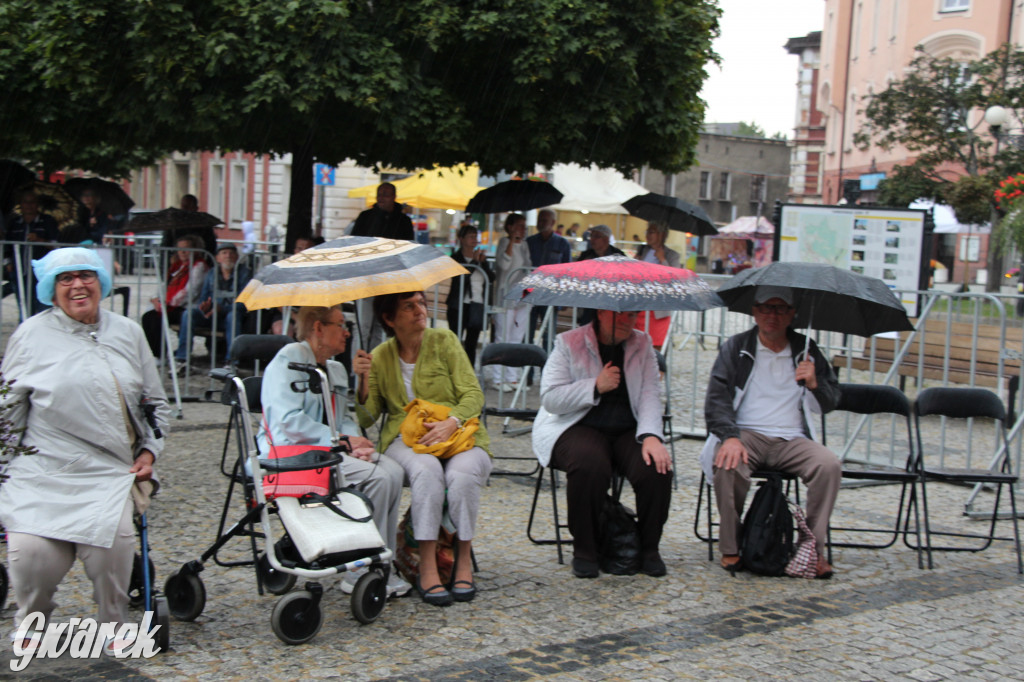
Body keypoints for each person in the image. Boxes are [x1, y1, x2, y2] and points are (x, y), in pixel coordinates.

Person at [0, 247, 169, 654]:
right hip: (44, 470)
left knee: (113, 543)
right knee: (31, 555)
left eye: (86, 275)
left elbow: (156, 406)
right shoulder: (31, 335)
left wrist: (150, 452)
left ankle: (113, 624)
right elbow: (6, 411)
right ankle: (32, 621)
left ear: (101, 282)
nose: (77, 285)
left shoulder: (128, 332)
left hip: (109, 470)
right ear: (51, 289)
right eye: (65, 278)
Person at [259, 306, 411, 598]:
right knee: (377, 478)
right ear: (318, 328)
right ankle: (360, 566)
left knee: (393, 470)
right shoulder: (288, 360)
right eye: (340, 325)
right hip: (293, 454)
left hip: (331, 451)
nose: (346, 332)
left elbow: (344, 417)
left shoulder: (337, 368)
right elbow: (288, 422)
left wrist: (356, 442)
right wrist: (341, 441)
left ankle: (381, 561)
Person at [354, 291, 492, 606]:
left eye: (420, 302)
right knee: (427, 471)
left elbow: (473, 394)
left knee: (463, 475)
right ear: (389, 319)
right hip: (405, 439)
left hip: (459, 434)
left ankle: (464, 558)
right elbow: (367, 415)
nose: (420, 309)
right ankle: (427, 564)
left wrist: (452, 421)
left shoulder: (444, 340)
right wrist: (361, 380)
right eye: (409, 306)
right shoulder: (380, 356)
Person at [701, 285, 841, 578]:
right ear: (754, 310)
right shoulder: (737, 347)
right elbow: (717, 397)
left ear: (792, 314)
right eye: (765, 307)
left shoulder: (806, 348)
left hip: (792, 437)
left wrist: (815, 383)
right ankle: (731, 546)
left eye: (780, 309)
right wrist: (729, 436)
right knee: (727, 463)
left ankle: (812, 549)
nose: (772, 315)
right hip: (747, 432)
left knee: (829, 465)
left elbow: (831, 400)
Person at [532, 309, 672, 579]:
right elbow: (551, 398)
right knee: (589, 464)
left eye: (632, 315)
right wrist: (594, 386)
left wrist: (651, 436)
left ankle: (648, 547)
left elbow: (650, 394)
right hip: (577, 424)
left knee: (657, 467)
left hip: (628, 428)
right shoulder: (568, 342)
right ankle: (585, 549)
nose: (627, 321)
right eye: (620, 314)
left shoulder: (642, 344)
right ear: (601, 311)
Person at [174, 244, 252, 365]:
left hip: (231, 316)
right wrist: (204, 306)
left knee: (233, 316)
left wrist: (222, 309)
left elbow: (245, 303)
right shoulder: (212, 273)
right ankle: (182, 358)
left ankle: (231, 361)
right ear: (217, 258)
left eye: (231, 253)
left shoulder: (244, 273)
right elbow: (203, 297)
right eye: (224, 253)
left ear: (237, 257)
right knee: (188, 314)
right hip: (212, 315)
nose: (228, 256)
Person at [141, 235, 209, 358]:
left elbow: (191, 291)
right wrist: (156, 298)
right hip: (170, 305)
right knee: (148, 317)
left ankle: (160, 355)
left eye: (186, 248)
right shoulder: (176, 266)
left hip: (186, 307)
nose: (182, 252)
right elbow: (164, 285)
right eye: (180, 248)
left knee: (155, 318)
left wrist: (166, 303)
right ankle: (158, 353)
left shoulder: (199, 266)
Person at [489, 213, 532, 391]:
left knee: (516, 337)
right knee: (502, 336)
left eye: (524, 226)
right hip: (505, 295)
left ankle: (512, 378)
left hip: (522, 295)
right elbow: (503, 265)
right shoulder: (503, 243)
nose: (523, 229)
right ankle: (497, 379)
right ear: (511, 227)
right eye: (519, 226)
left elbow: (528, 267)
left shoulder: (525, 245)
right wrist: (511, 244)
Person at [4, 188, 60, 317]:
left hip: (41, 273)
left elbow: (55, 245)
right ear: (21, 204)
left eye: (32, 202)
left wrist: (40, 240)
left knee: (44, 307)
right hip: (20, 271)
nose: (29, 205)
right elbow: (8, 245)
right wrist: (8, 263)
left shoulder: (47, 221)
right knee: (24, 305)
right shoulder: (15, 223)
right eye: (25, 202)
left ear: (37, 204)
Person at [445, 223, 494, 366]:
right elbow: (461, 278)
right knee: (455, 341)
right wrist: (474, 262)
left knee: (471, 344)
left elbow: (490, 278)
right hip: (458, 305)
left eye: (476, 236)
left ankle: (469, 373)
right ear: (461, 239)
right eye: (471, 236)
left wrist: (482, 263)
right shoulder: (456, 258)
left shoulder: (481, 259)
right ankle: (453, 371)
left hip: (477, 304)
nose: (474, 239)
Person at [526, 209, 572, 346]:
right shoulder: (529, 241)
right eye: (539, 220)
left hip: (551, 295)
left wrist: (564, 298)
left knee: (548, 335)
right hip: (531, 293)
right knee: (527, 332)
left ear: (552, 223)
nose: (540, 223)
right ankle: (529, 366)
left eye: (544, 220)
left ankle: (547, 365)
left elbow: (567, 272)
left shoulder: (562, 244)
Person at [633, 222, 682, 349]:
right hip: (639, 306)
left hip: (658, 310)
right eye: (647, 231)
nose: (648, 235)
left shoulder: (672, 255)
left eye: (652, 232)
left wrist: (662, 260)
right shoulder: (642, 251)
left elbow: (673, 280)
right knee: (636, 343)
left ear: (662, 234)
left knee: (656, 346)